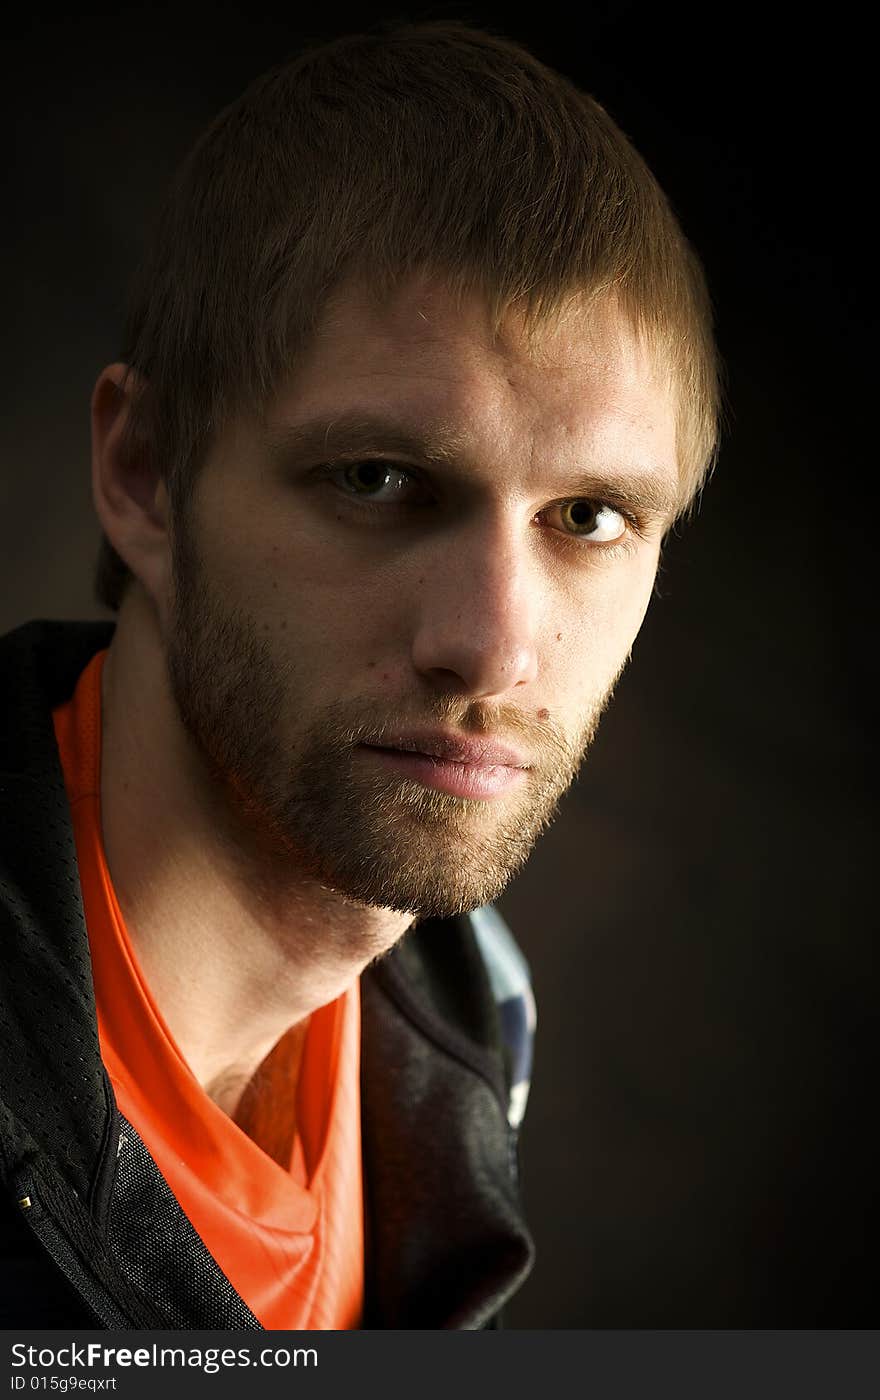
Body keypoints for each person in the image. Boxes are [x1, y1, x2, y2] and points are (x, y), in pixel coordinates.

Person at [0, 19, 722, 1329]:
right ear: (145, 475)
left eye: (591, 519)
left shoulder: (471, 1016)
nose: (496, 647)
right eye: (380, 482)